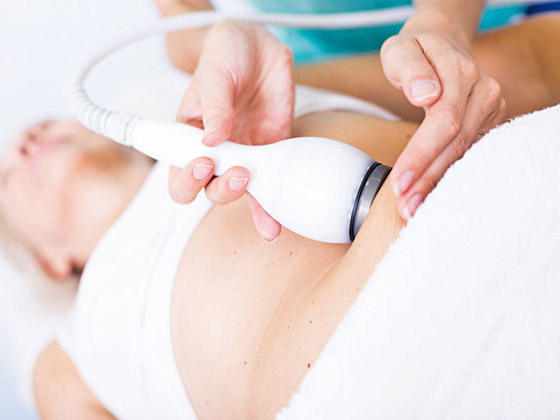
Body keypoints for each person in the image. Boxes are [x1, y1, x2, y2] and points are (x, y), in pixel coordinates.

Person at [1, 13, 557, 420]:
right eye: (4, 180)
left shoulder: (247, 100)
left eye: (43, 123)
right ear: (52, 264)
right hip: (384, 384)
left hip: (512, 196)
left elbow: (530, 63)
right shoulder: (69, 351)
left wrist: (441, 31)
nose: (23, 141)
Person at [155, 0, 512, 241]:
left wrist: (443, 24)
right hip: (307, 59)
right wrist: (230, 39)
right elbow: (183, 23)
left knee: (512, 71)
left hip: (471, 27)